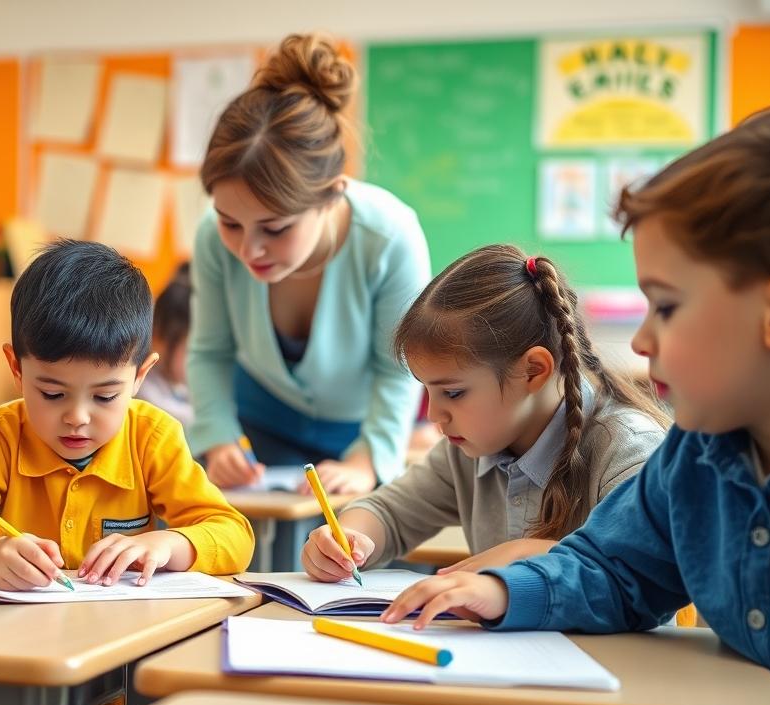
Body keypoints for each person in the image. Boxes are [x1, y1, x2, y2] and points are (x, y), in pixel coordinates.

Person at [382, 109, 770, 674]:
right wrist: (502, 592)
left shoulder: (639, 445)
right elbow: (614, 570)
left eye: (666, 306)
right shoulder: (694, 459)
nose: (641, 340)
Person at [0, 240, 254, 589]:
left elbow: (234, 534)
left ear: (139, 376)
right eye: (53, 393)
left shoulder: (152, 436)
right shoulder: (2, 434)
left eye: (105, 396)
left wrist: (167, 545)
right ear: (17, 368)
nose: (77, 417)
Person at [300, 246, 667, 582]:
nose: (435, 415)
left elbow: (639, 566)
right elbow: (388, 513)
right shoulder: (469, 450)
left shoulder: (628, 451)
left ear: (533, 371)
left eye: (454, 393)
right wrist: (347, 537)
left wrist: (524, 554)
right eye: (427, 392)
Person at [189, 32, 429, 499]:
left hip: (360, 431)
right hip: (257, 426)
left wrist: (366, 459)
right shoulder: (209, 236)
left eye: (275, 229)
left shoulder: (390, 236)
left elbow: (397, 369)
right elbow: (209, 351)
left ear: (333, 194)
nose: (249, 249)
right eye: (230, 223)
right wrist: (218, 440)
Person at [136, 263, 194, 429]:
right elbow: (176, 418)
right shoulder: (141, 381)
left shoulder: (180, 380)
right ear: (159, 337)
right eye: (192, 351)